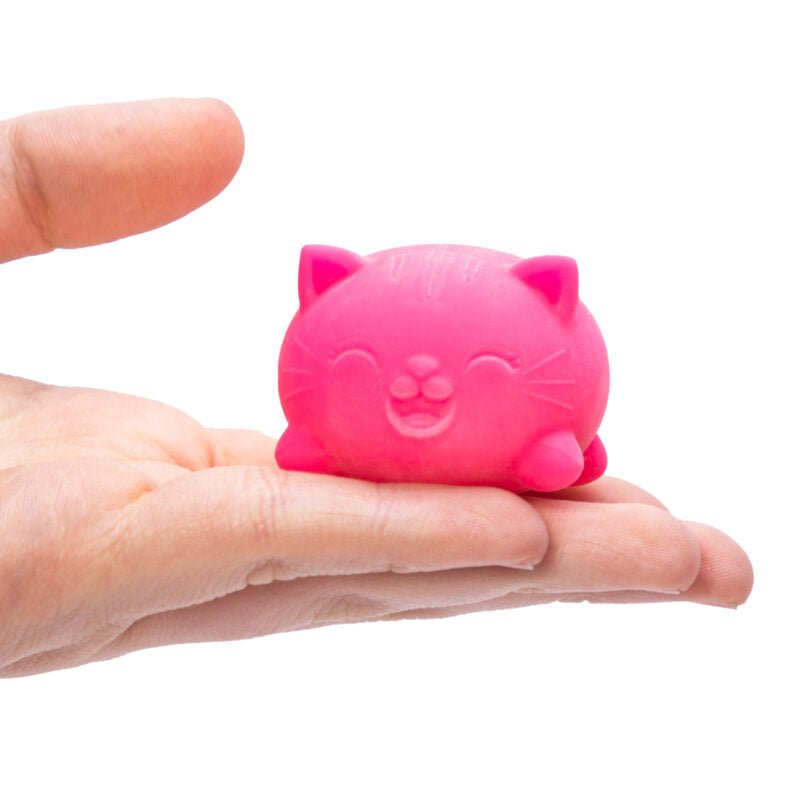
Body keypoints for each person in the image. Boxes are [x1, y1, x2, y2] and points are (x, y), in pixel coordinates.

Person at [0, 99, 753, 678]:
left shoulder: (545, 305)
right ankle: (516, 450)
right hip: (347, 444)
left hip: (544, 444)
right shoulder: (334, 295)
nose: (419, 382)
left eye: (483, 367)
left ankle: (547, 449)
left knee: (567, 486)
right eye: (365, 360)